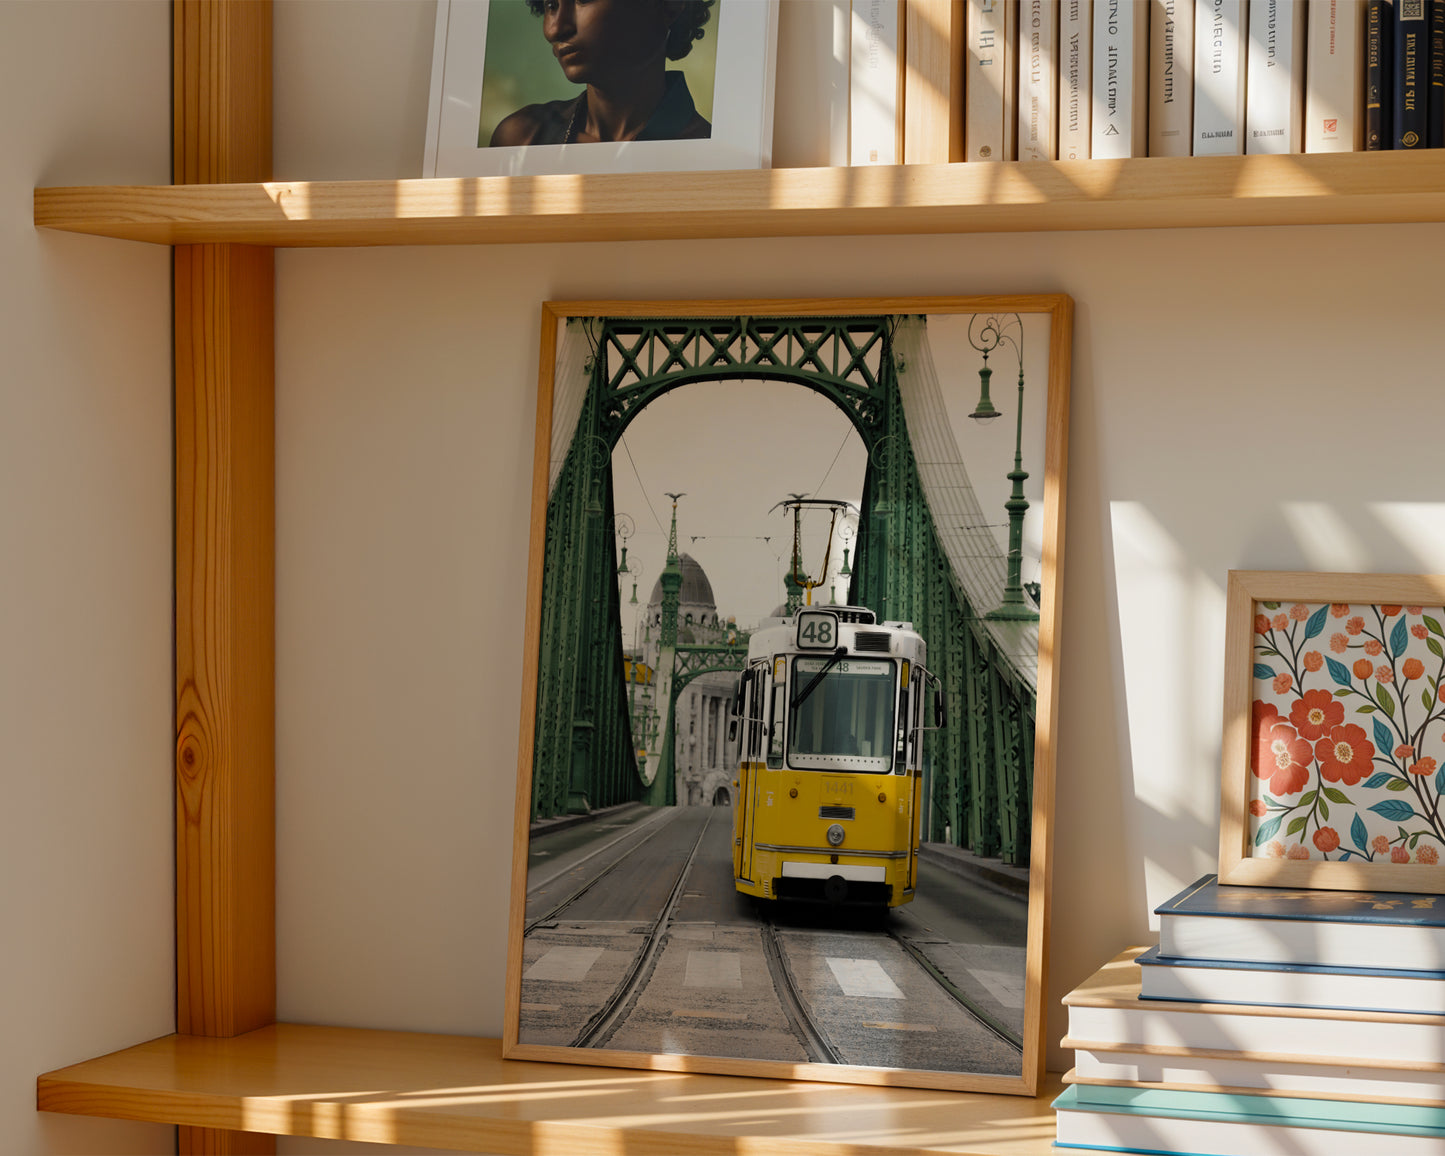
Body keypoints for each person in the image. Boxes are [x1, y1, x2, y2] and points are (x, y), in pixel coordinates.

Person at [489, 0, 714, 146]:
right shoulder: (521, 139)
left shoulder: (710, 153)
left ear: (669, 5)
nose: (555, 29)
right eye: (551, 5)